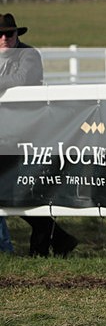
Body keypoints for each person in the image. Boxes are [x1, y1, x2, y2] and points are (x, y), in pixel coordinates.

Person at [0, 13, 78, 257]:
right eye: (0, 34)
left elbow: (23, 80)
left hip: (27, 133)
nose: (4, 38)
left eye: (9, 33)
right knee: (15, 192)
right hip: (5, 135)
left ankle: (47, 243)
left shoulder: (29, 55)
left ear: (17, 34)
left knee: (25, 191)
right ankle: (57, 240)